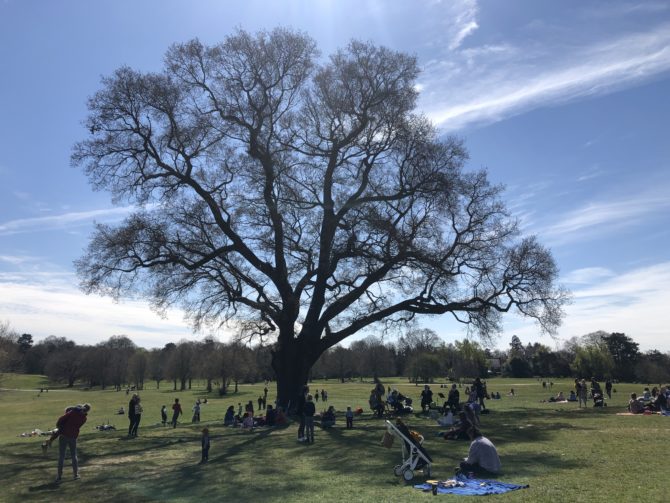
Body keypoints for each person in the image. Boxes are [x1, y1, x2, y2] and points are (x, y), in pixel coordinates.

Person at [54, 403, 91, 483]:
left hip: (64, 434)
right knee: (74, 455)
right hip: (73, 436)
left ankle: (59, 476)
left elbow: (63, 418)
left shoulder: (73, 412)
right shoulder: (84, 418)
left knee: (61, 456)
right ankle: (75, 475)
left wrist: (58, 425)